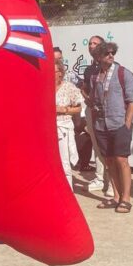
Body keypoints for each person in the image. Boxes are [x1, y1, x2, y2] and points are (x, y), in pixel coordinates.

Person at [87, 42, 133, 214]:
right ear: (98, 57)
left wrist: (127, 124)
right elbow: (94, 100)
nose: (110, 55)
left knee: (121, 160)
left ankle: (126, 199)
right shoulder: (95, 76)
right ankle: (116, 196)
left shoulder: (124, 73)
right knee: (108, 161)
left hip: (119, 123)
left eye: (112, 52)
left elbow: (132, 101)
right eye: (106, 53)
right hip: (101, 124)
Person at [81, 35, 109, 193]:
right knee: (97, 146)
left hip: (107, 112)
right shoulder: (89, 69)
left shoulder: (109, 66)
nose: (91, 46)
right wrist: (87, 98)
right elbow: (84, 88)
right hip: (92, 111)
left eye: (95, 43)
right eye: (90, 43)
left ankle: (111, 181)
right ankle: (100, 178)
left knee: (107, 146)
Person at [55, 60, 83, 191]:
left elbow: (78, 108)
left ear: (60, 73)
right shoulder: (44, 86)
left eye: (54, 71)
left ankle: (67, 191)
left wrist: (63, 110)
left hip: (63, 126)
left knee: (64, 162)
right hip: (47, 129)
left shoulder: (69, 87)